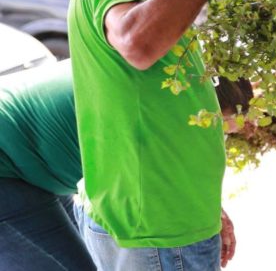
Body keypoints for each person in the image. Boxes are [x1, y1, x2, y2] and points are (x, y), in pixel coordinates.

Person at [67, 0, 273, 271]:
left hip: (171, 220)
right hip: (155, 230)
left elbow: (162, 106)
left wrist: (206, 207)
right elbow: (136, 42)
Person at [0, 62, 258, 270]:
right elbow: (156, 181)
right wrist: (216, 214)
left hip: (30, 167)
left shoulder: (169, 82)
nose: (218, 135)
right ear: (202, 105)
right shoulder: (145, 110)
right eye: (217, 125)